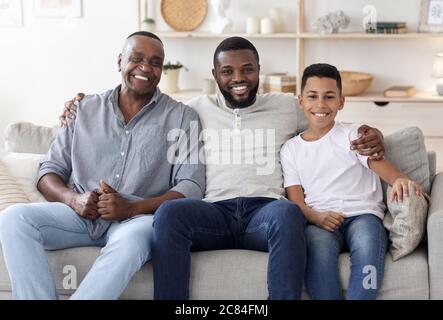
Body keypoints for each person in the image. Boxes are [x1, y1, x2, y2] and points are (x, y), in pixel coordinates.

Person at [60, 37, 385, 300]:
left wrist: (373, 134)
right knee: (170, 214)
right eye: (227, 71)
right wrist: (82, 104)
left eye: (247, 70)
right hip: (212, 214)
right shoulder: (194, 109)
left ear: (259, 70)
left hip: (265, 213)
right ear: (215, 76)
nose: (239, 79)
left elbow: (326, 119)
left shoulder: (288, 106)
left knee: (289, 214)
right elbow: (146, 106)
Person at [0, 31, 205, 300]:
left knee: (131, 244)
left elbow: (191, 186)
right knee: (14, 219)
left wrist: (132, 206)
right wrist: (73, 199)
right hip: (80, 217)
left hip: (138, 220)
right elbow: (49, 170)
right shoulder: (83, 109)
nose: (145, 68)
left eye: (155, 62)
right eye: (137, 58)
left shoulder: (182, 117)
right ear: (120, 61)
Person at [280, 63, 423, 300]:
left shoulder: (353, 134)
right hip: (321, 220)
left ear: (341, 102)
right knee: (317, 253)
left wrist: (399, 180)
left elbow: (386, 170)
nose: (321, 105)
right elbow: (296, 202)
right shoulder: (291, 150)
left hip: (364, 216)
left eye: (329, 97)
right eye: (312, 96)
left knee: (368, 250)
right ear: (301, 101)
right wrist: (317, 217)